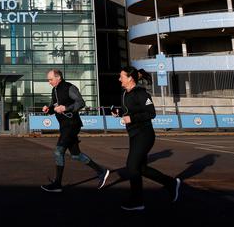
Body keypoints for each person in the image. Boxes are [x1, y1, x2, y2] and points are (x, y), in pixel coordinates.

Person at [113, 66, 181, 210]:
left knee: (132, 166)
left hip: (145, 134)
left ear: (130, 78)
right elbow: (128, 111)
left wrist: (131, 118)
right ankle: (171, 183)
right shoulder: (125, 94)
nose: (119, 79)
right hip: (134, 134)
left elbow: (151, 113)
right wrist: (118, 112)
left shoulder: (141, 93)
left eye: (121, 76)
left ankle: (137, 201)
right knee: (140, 168)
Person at [41, 69, 110, 192]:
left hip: (72, 124)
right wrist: (49, 109)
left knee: (58, 151)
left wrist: (66, 108)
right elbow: (55, 106)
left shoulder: (69, 87)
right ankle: (102, 171)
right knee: (76, 155)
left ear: (58, 78)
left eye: (50, 79)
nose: (49, 82)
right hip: (64, 126)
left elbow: (81, 102)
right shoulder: (54, 90)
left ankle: (57, 184)